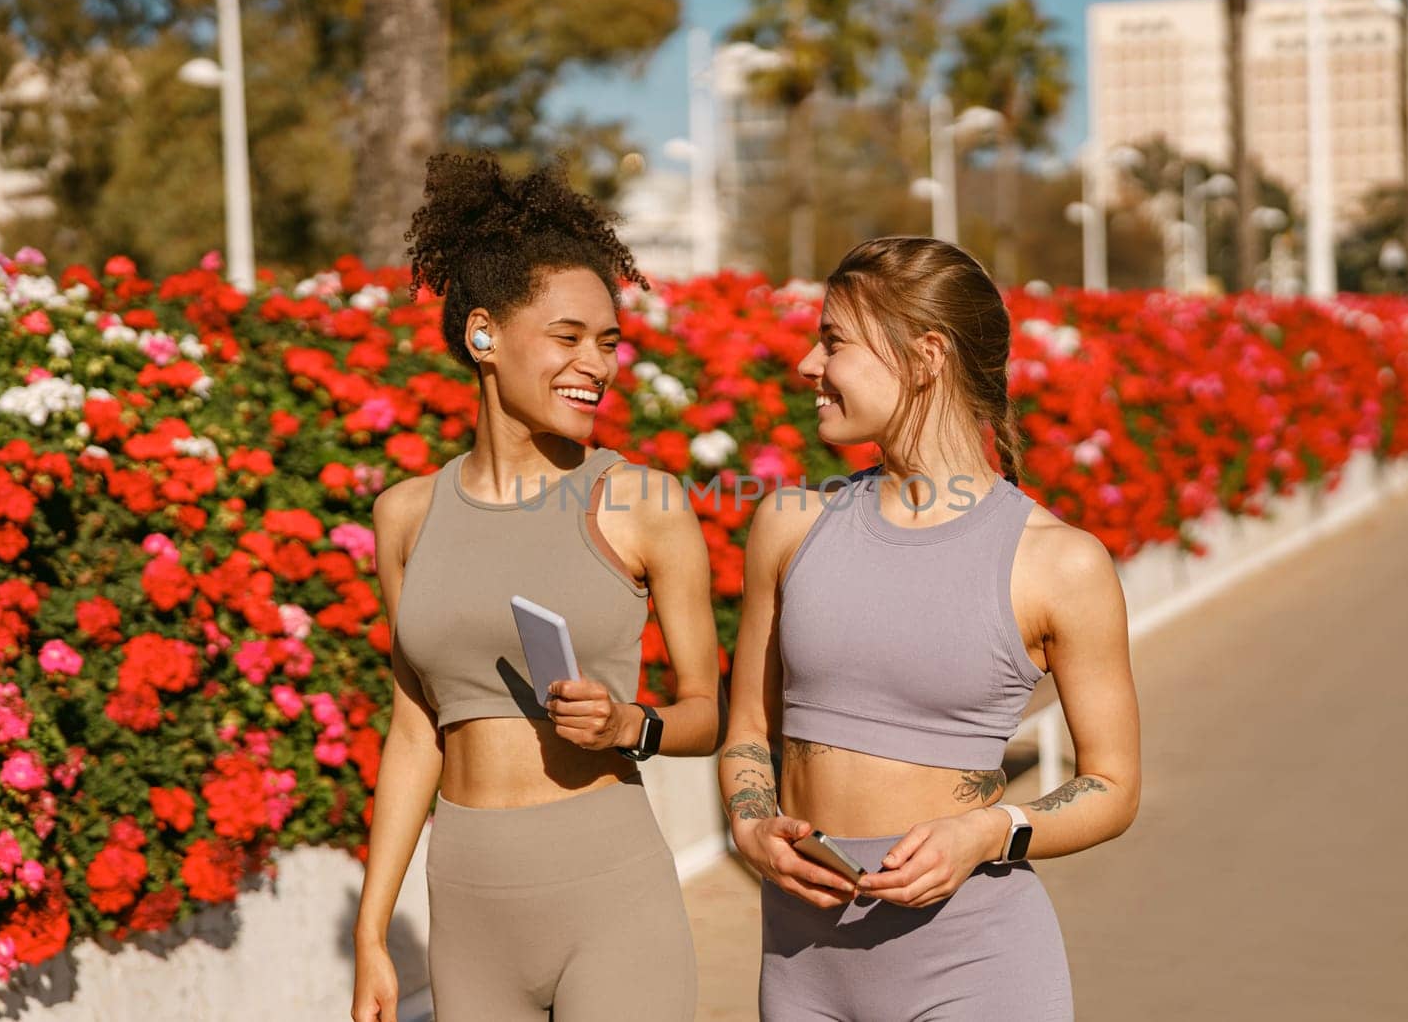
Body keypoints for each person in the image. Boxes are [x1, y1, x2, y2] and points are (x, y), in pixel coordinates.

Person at [719, 236, 1141, 1021]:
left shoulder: (1058, 563)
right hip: (800, 969)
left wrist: (988, 833)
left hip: (975, 969)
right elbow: (748, 726)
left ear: (926, 355)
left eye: (834, 340)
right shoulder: (788, 525)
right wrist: (749, 824)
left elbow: (1113, 787)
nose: (808, 365)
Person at [351, 152, 720, 1022]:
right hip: (468, 905)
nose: (597, 363)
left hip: (611, 891)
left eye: (609, 341)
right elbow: (414, 732)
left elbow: (710, 710)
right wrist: (373, 931)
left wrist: (635, 723)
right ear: (483, 334)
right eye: (568, 336)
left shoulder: (641, 501)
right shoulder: (404, 516)